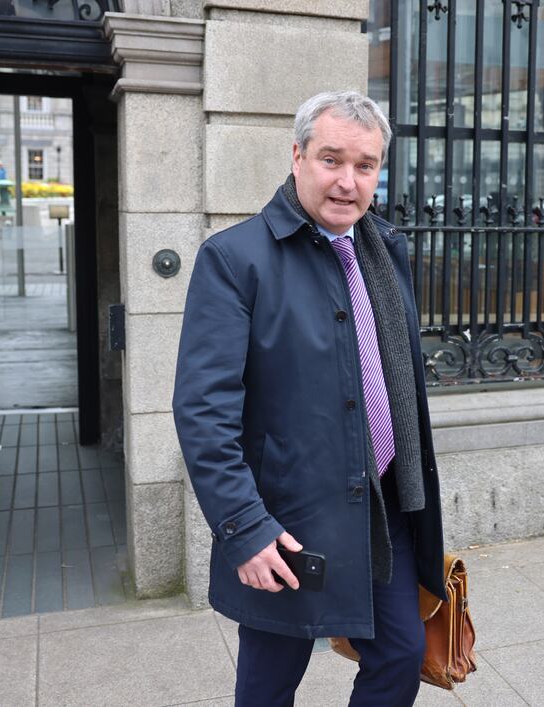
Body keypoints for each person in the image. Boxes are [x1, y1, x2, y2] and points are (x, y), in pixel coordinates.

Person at [173, 91, 445, 707]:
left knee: (400, 657)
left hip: (382, 508)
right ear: (297, 156)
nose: (348, 182)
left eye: (366, 165)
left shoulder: (384, 249)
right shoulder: (235, 259)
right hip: (285, 523)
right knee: (270, 685)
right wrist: (244, 528)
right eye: (331, 160)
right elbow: (202, 411)